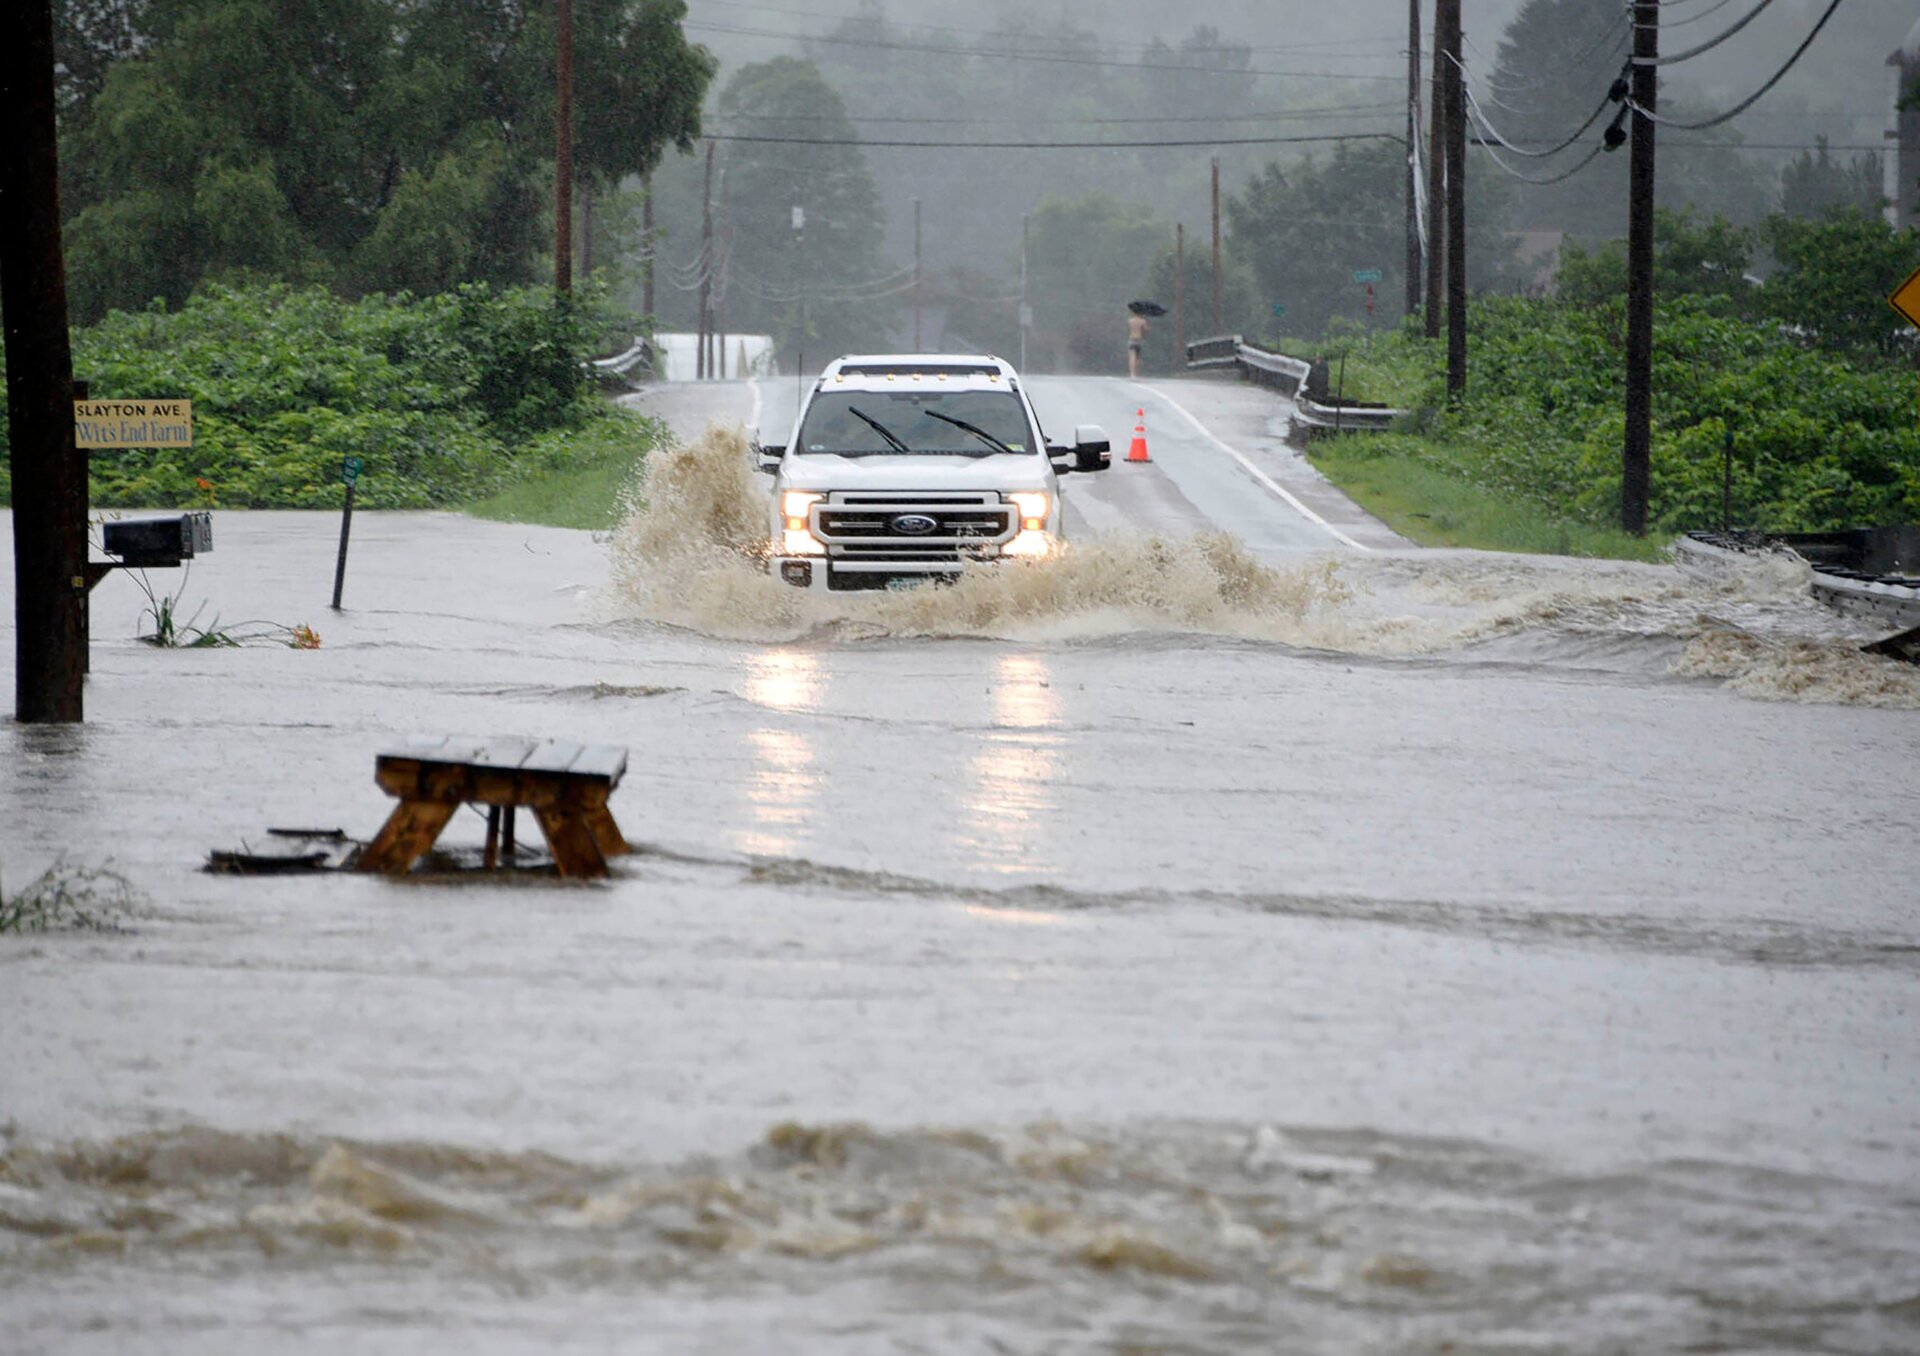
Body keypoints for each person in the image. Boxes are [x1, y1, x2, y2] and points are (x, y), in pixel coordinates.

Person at [1126, 310, 1149, 378]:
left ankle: (1132, 374)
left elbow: (1128, 329)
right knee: (1138, 358)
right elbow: (1146, 330)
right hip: (1138, 340)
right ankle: (1136, 372)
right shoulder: (1143, 321)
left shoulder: (1130, 320)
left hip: (1131, 339)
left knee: (1132, 357)